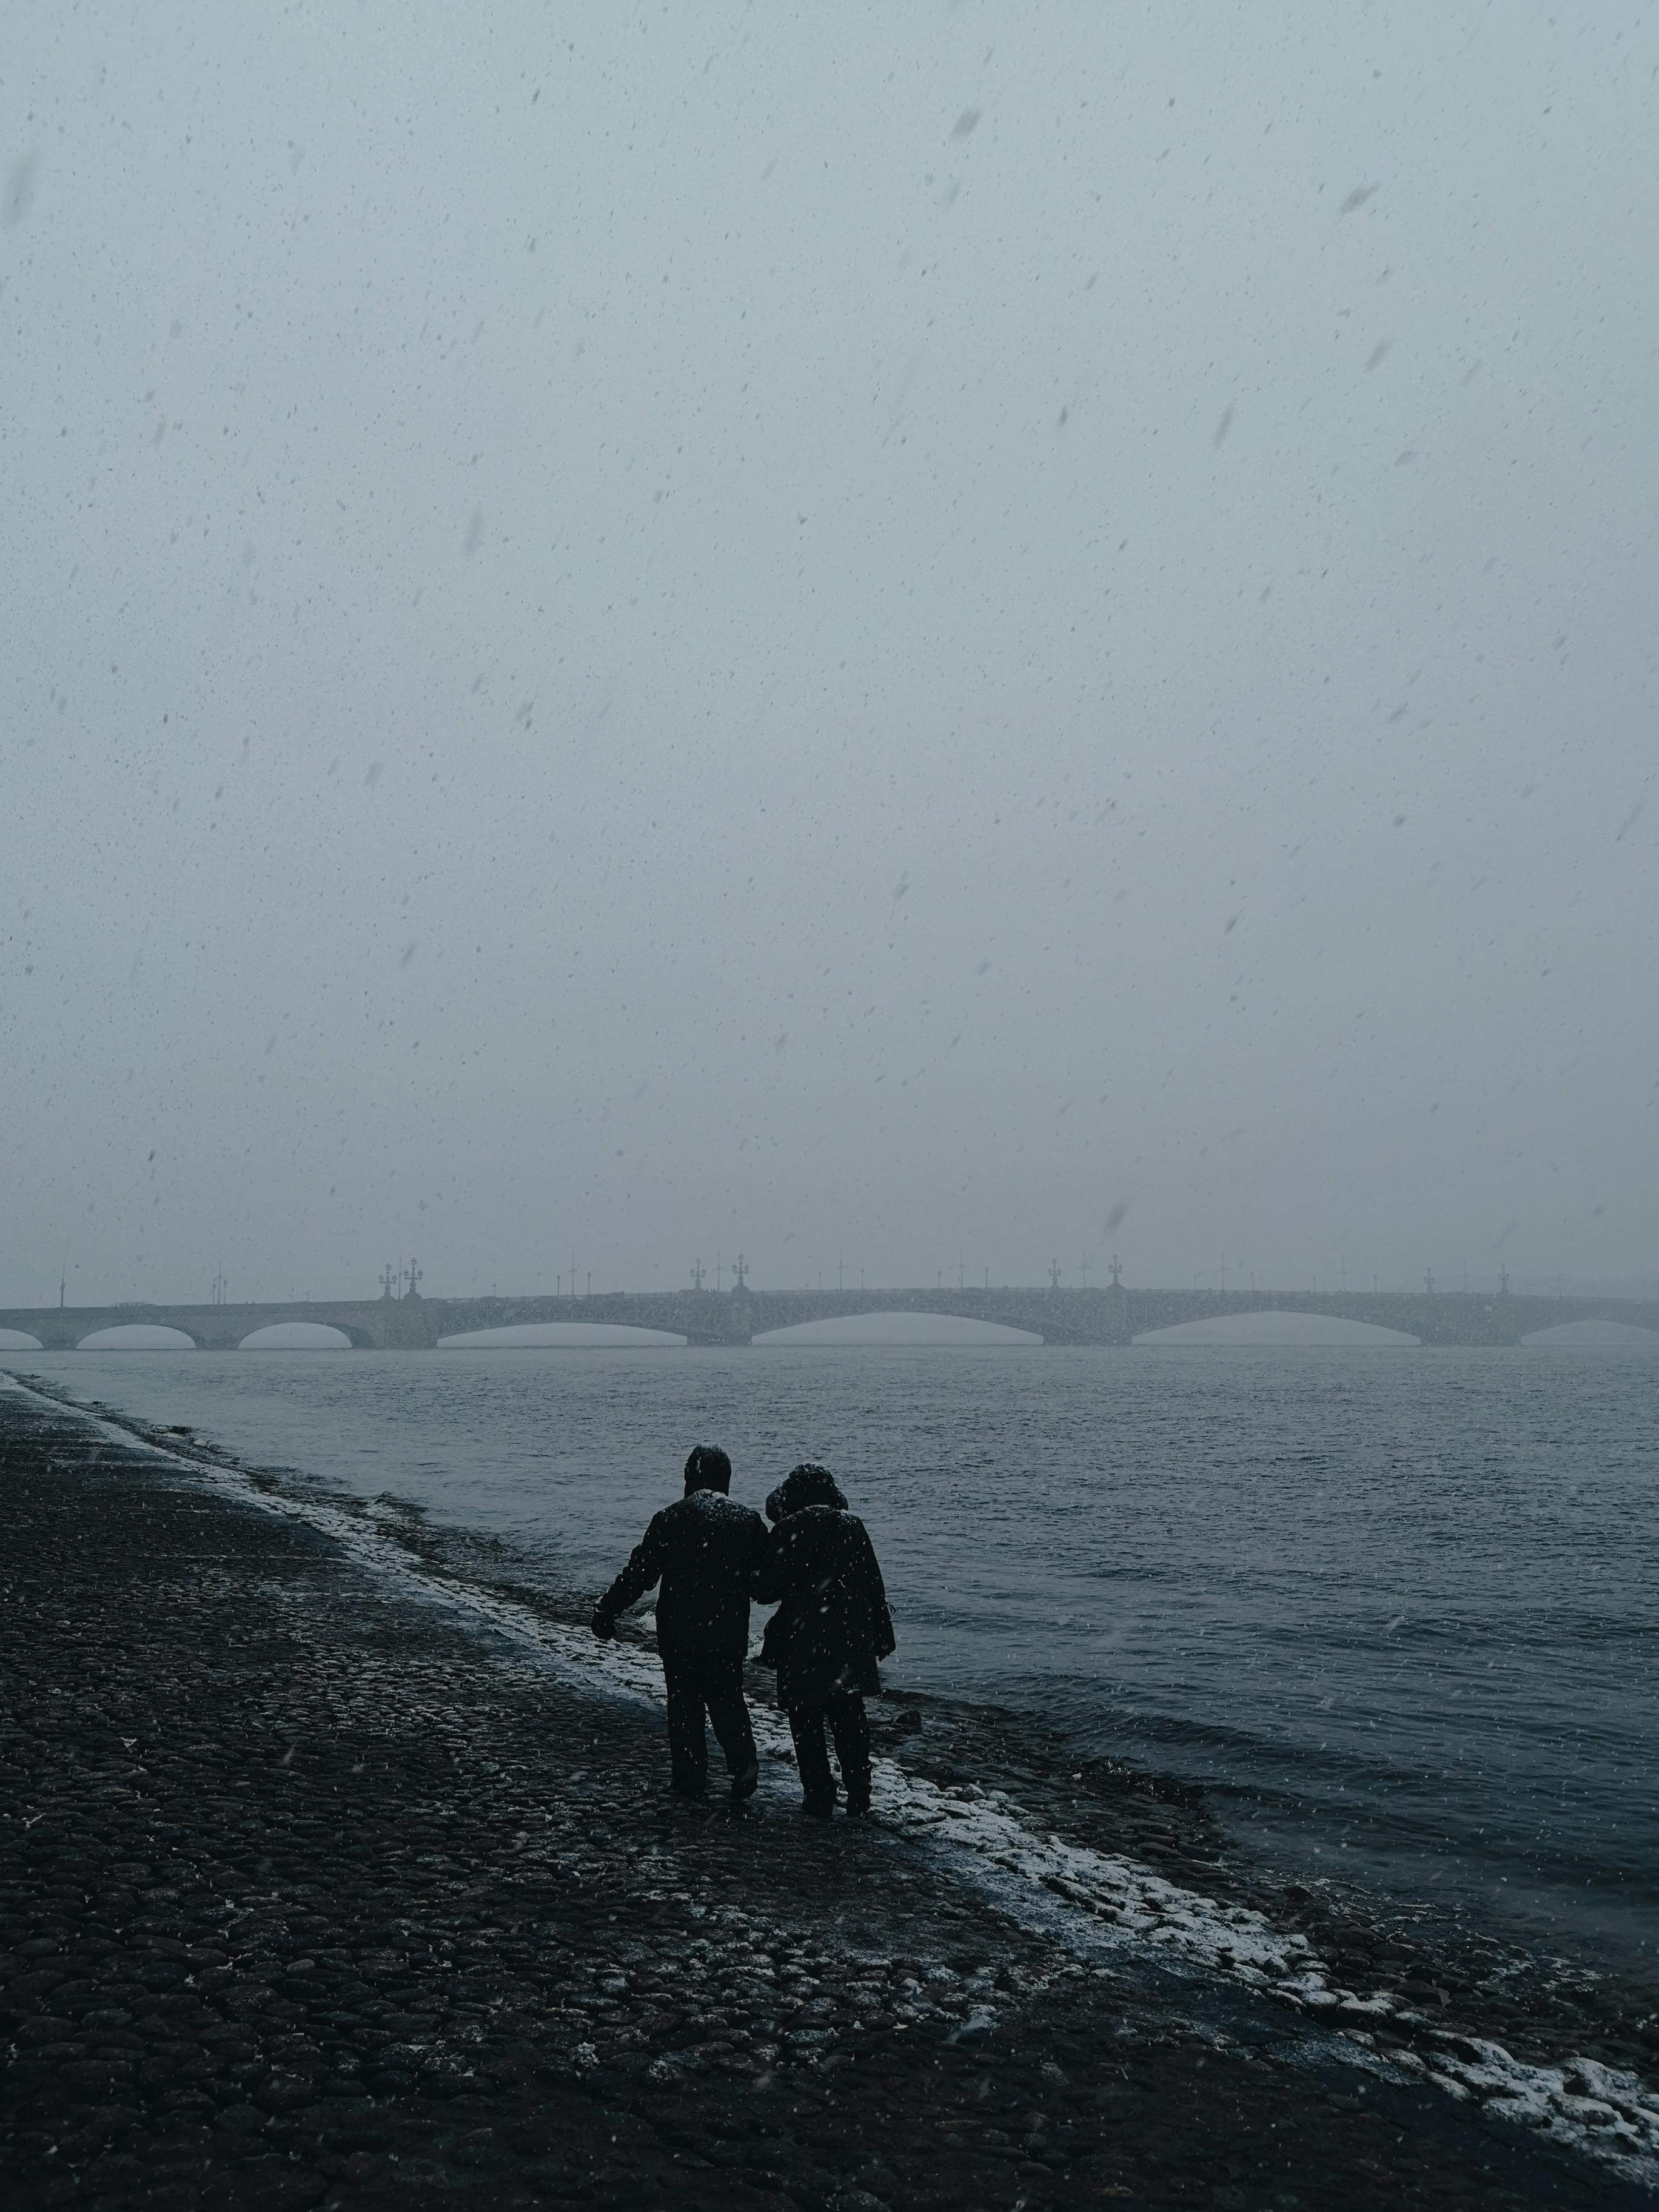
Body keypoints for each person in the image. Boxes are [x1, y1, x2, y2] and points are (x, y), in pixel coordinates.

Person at [592, 1444, 766, 1801]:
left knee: (684, 1703)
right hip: (727, 1631)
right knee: (728, 1700)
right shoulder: (747, 1522)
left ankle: (690, 1778)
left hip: (679, 1632)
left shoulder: (670, 1518)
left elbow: (640, 1575)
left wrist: (608, 1609)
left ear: (689, 1478)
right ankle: (743, 1765)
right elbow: (765, 1586)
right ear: (726, 1479)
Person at [752, 1463, 895, 1817]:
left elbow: (766, 1591)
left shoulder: (788, 1529)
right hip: (848, 1639)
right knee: (850, 1717)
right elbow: (873, 1584)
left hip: (803, 1641)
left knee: (806, 1720)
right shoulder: (852, 1525)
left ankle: (818, 1794)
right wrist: (882, 1633)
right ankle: (859, 1792)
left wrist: (749, 1571)